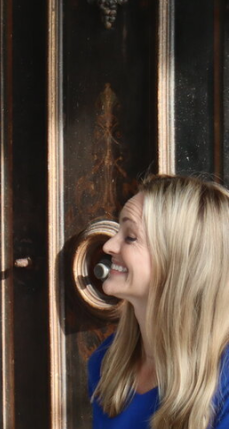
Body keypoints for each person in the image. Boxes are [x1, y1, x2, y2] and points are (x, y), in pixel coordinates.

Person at [89, 174, 229, 429]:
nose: (109, 246)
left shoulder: (224, 376)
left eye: (130, 237)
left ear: (179, 259)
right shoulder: (107, 361)